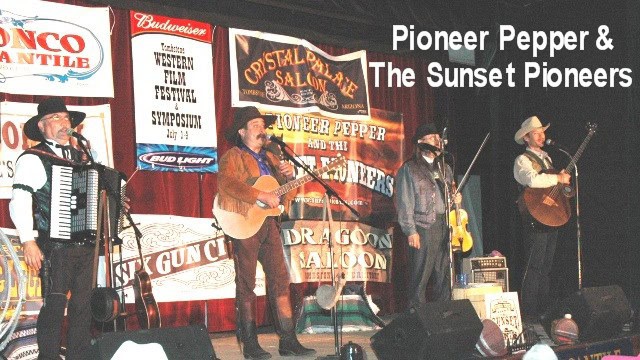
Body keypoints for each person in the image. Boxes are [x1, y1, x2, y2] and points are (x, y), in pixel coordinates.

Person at [217, 106, 315, 359]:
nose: (263, 130)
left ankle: (288, 340)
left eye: (263, 125)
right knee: (247, 285)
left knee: (281, 281)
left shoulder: (273, 159)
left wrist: (289, 179)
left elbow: (283, 198)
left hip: (269, 225)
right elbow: (226, 184)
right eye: (256, 125)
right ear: (242, 132)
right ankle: (249, 344)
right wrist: (259, 194)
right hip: (244, 223)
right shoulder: (233, 156)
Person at [9, 97, 94, 359]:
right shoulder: (34, 158)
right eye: (55, 118)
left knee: (83, 308)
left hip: (86, 244)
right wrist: (28, 241)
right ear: (43, 127)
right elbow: (19, 200)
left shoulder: (84, 156)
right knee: (55, 307)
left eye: (65, 118)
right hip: (55, 246)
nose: (62, 122)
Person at [395, 123, 461, 308]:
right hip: (423, 226)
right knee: (420, 274)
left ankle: (444, 313)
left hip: (443, 224)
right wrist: (410, 231)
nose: (437, 141)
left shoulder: (445, 168)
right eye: (432, 138)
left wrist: (455, 199)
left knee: (444, 273)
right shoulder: (410, 169)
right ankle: (416, 316)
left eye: (438, 138)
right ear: (421, 142)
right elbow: (405, 201)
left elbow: (449, 196)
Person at [513, 116, 571, 320]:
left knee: (546, 267)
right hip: (534, 217)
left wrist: (562, 183)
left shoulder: (547, 158)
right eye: (536, 133)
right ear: (527, 138)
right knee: (534, 266)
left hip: (549, 216)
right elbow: (532, 180)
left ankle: (543, 310)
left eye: (542, 132)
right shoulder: (522, 160)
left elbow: (551, 187)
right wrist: (557, 178)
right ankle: (529, 313)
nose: (541, 136)